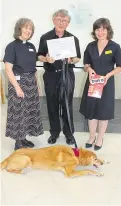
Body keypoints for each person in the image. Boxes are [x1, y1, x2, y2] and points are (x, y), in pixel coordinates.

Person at [38, 9, 81, 145]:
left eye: (64, 20)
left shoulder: (73, 38)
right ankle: (54, 133)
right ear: (54, 20)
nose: (61, 22)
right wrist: (46, 58)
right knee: (52, 105)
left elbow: (78, 58)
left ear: (68, 23)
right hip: (51, 75)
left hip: (66, 74)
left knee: (67, 104)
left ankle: (69, 134)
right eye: (59, 19)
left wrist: (71, 60)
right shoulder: (45, 37)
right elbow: (39, 55)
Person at [79, 18, 121, 150]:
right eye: (98, 29)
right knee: (91, 110)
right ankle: (92, 136)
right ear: (94, 31)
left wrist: (108, 75)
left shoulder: (114, 47)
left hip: (106, 84)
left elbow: (119, 66)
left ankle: (100, 137)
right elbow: (86, 64)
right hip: (92, 83)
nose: (100, 32)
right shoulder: (90, 46)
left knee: (103, 111)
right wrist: (89, 69)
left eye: (103, 29)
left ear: (108, 30)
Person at [3, 18, 44, 150]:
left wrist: (37, 85)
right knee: (19, 113)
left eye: (30, 29)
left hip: (31, 82)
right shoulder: (11, 46)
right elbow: (8, 69)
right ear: (19, 29)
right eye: (26, 27)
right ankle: (18, 143)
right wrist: (17, 88)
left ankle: (24, 138)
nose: (28, 30)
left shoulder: (31, 47)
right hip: (18, 83)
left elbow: (33, 68)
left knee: (28, 112)